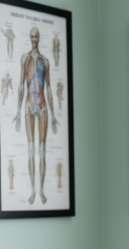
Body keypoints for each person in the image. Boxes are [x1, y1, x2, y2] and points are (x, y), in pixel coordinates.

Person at [13, 27, 58, 206]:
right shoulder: (25, 59)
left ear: (39, 38)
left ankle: (41, 190)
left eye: (36, 36)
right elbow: (20, 85)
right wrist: (18, 111)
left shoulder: (45, 61)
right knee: (31, 150)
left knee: (42, 150)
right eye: (32, 36)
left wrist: (53, 115)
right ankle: (32, 190)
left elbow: (49, 89)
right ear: (30, 38)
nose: (34, 39)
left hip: (43, 106)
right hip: (29, 105)